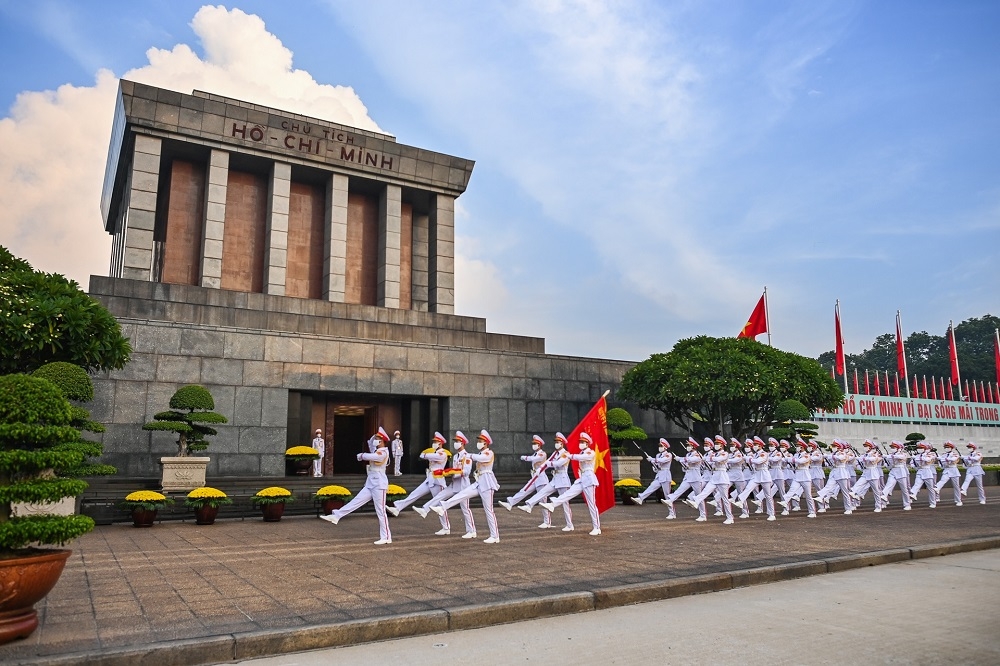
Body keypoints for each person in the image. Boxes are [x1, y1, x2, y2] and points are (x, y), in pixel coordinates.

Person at [320, 427, 392, 545]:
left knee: (380, 511)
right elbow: (370, 442)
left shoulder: (384, 452)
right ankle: (337, 515)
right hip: (370, 482)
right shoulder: (376, 449)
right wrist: (374, 437)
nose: (376, 440)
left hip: (379, 484)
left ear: (383, 440)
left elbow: (375, 457)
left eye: (378, 439)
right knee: (356, 501)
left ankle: (386, 537)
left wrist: (362, 455)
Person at [434, 429, 501, 543]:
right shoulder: (478, 453)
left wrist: (469, 455)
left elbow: (482, 459)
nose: (478, 442)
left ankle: (495, 536)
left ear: (486, 443)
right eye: (478, 440)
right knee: (462, 494)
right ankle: (443, 506)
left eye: (480, 441)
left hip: (487, 483)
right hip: (479, 481)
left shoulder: (489, 453)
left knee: (488, 510)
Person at [386, 432, 451, 534]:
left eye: (436, 442)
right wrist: (427, 455)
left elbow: (427, 456)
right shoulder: (434, 453)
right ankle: (397, 508)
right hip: (430, 478)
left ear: (440, 443)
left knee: (439, 505)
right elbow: (422, 455)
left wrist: (427, 455)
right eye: (433, 441)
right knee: (414, 494)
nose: (433, 443)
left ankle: (446, 527)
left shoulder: (443, 453)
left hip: (438, 481)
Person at [540, 431, 602, 535]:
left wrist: (570, 456)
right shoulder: (582, 452)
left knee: (591, 504)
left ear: (587, 444)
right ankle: (553, 504)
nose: (580, 444)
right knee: (568, 494)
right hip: (582, 478)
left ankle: (597, 527)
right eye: (580, 442)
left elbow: (581, 458)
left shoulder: (590, 452)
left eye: (582, 442)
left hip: (589, 479)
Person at [417, 431, 477, 538]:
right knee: (441, 496)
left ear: (462, 443)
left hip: (463, 485)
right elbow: (454, 470)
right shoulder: (455, 457)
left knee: (465, 509)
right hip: (454, 484)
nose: (455, 443)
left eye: (457, 441)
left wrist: (455, 472)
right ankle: (425, 509)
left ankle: (471, 531)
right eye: (455, 441)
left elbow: (466, 472)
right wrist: (448, 473)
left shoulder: (467, 457)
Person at [517, 433, 574, 530]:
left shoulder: (566, 454)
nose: (556, 444)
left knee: (565, 503)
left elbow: (558, 463)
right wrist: (540, 469)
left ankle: (569, 525)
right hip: (555, 478)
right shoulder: (555, 453)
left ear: (562, 443)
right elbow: (547, 462)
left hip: (563, 479)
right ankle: (529, 505)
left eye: (558, 442)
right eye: (555, 442)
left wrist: (548, 463)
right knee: (543, 492)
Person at [685, 436, 734, 524]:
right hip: (715, 476)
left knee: (725, 498)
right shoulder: (714, 454)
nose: (716, 445)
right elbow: (710, 463)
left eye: (717, 444)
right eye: (715, 444)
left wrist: (708, 458)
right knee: (705, 491)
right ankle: (696, 501)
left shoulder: (725, 453)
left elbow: (719, 459)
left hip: (722, 476)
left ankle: (730, 518)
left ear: (722, 445)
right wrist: (704, 460)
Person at [500, 435, 549, 511]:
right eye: (533, 444)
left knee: (543, 501)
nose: (533, 446)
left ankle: (547, 521)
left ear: (539, 445)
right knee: (524, 490)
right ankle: (510, 503)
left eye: (535, 444)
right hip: (534, 477)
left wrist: (525, 457)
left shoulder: (542, 454)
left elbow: (534, 459)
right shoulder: (535, 453)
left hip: (541, 478)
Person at [732, 438, 776, 521]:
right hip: (756, 474)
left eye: (756, 445)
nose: (754, 446)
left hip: (764, 474)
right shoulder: (755, 454)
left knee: (768, 496)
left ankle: (771, 514)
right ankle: (740, 500)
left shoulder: (764, 453)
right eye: (754, 445)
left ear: (760, 446)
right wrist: (745, 458)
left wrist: (748, 459)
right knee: (748, 488)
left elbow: (758, 461)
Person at [663, 437, 705, 520]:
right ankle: (670, 500)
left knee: (698, 496)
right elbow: (686, 466)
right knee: (680, 490)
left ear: (693, 446)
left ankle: (703, 515)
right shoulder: (688, 454)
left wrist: (682, 459)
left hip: (696, 478)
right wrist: (682, 463)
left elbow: (694, 460)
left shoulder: (697, 454)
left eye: (689, 445)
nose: (688, 447)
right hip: (688, 476)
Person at [633, 438, 673, 505]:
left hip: (665, 475)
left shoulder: (668, 454)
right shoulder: (658, 455)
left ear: (665, 447)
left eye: (661, 446)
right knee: (651, 487)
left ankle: (672, 513)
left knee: (667, 496)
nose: (660, 448)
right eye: (659, 446)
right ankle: (641, 498)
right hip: (659, 475)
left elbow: (662, 460)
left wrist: (653, 459)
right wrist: (654, 466)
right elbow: (657, 464)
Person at [848, 440, 885, 512]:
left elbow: (875, 459)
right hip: (866, 472)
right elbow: (859, 459)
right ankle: (853, 492)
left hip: (873, 473)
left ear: (870, 447)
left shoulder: (875, 453)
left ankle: (878, 506)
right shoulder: (865, 454)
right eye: (864, 446)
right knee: (859, 483)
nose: (865, 447)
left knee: (876, 491)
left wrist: (865, 459)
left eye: (866, 446)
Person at [879, 441, 912, 510]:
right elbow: (889, 463)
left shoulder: (903, 453)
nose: (892, 448)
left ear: (898, 448)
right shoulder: (891, 454)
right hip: (893, 471)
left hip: (901, 471)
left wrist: (890, 456)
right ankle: (884, 496)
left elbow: (901, 457)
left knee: (904, 489)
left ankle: (907, 504)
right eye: (891, 447)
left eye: (893, 447)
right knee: (889, 484)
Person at [909, 442, 938, 508]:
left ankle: (933, 502)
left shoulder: (929, 454)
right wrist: (913, 465)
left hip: (927, 471)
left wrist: (918, 458)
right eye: (919, 448)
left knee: (930, 488)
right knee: (917, 484)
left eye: (921, 448)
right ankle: (913, 493)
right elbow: (912, 463)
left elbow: (928, 460)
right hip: (920, 471)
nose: (919, 449)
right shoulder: (917, 455)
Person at [934, 441, 963, 506]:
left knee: (956, 486)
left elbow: (953, 459)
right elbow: (942, 465)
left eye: (948, 447)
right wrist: (940, 461)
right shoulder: (943, 455)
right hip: (947, 469)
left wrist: (943, 459)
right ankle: (937, 488)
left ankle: (958, 500)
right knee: (943, 480)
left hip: (953, 470)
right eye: (945, 447)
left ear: (951, 448)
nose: (946, 448)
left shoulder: (954, 454)